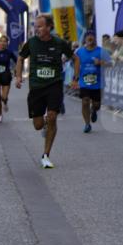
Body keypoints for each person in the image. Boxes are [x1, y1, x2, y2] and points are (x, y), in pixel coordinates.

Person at [16, 14, 78, 168]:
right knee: (37, 125)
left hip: (54, 84)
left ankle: (46, 155)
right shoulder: (31, 43)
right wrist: (18, 76)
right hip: (36, 87)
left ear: (49, 27)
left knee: (52, 116)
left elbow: (76, 59)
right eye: (36, 26)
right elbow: (20, 58)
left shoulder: (59, 43)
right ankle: (44, 123)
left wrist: (75, 78)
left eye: (40, 26)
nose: (37, 29)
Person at [74, 31, 111, 133]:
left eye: (92, 37)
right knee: (85, 101)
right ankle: (87, 124)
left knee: (97, 105)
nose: (90, 38)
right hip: (84, 82)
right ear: (85, 39)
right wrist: (75, 78)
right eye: (88, 37)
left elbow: (111, 63)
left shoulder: (101, 51)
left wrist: (100, 62)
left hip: (98, 83)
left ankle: (94, 110)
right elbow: (76, 64)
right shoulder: (79, 51)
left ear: (95, 38)